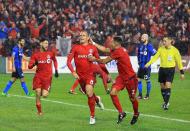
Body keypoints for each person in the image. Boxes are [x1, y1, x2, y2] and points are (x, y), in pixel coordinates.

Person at [89, 36, 139, 125]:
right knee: (112, 93)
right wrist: (93, 43)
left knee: (132, 98)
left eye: (111, 42)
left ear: (116, 43)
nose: (109, 43)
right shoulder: (116, 49)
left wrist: (94, 59)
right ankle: (121, 113)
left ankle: (136, 114)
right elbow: (104, 49)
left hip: (130, 78)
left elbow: (104, 61)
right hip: (122, 77)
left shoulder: (119, 52)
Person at [67, 31, 104, 125]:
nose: (81, 37)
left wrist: (104, 73)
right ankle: (97, 99)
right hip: (80, 76)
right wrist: (73, 72)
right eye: (80, 35)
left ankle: (92, 117)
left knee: (88, 91)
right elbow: (68, 62)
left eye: (84, 35)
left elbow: (99, 60)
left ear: (88, 38)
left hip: (90, 74)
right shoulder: (75, 47)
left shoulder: (93, 48)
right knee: (89, 94)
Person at [145, 37, 185, 110]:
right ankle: (165, 101)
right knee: (162, 87)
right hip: (162, 69)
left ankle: (166, 104)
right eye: (163, 41)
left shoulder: (175, 50)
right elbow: (155, 57)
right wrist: (148, 63)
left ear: (170, 41)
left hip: (170, 70)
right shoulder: (161, 49)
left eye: (165, 41)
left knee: (168, 85)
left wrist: (182, 72)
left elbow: (179, 62)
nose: (163, 42)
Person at [28, 38, 59, 115]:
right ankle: (39, 111)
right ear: (41, 44)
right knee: (38, 92)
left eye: (47, 43)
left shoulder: (51, 53)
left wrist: (56, 70)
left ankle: (42, 91)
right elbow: (29, 66)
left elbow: (55, 60)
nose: (46, 45)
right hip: (38, 77)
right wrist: (34, 63)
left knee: (44, 95)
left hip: (48, 78)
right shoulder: (35, 55)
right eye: (45, 43)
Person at [137, 34, 156, 99]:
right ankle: (140, 95)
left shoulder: (149, 46)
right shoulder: (140, 46)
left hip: (146, 67)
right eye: (141, 37)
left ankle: (147, 95)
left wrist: (150, 62)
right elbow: (138, 55)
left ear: (147, 38)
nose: (142, 38)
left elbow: (155, 53)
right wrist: (139, 62)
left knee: (147, 80)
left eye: (143, 37)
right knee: (139, 80)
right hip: (141, 66)